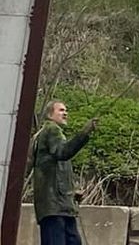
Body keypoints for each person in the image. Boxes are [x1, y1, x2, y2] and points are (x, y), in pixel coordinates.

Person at [30, 99, 95, 245]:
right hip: (55, 207)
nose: (65, 113)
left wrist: (72, 192)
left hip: (59, 206)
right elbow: (63, 152)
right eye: (60, 110)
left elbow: (56, 169)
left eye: (66, 110)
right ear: (49, 114)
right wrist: (84, 133)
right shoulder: (51, 130)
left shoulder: (47, 134)